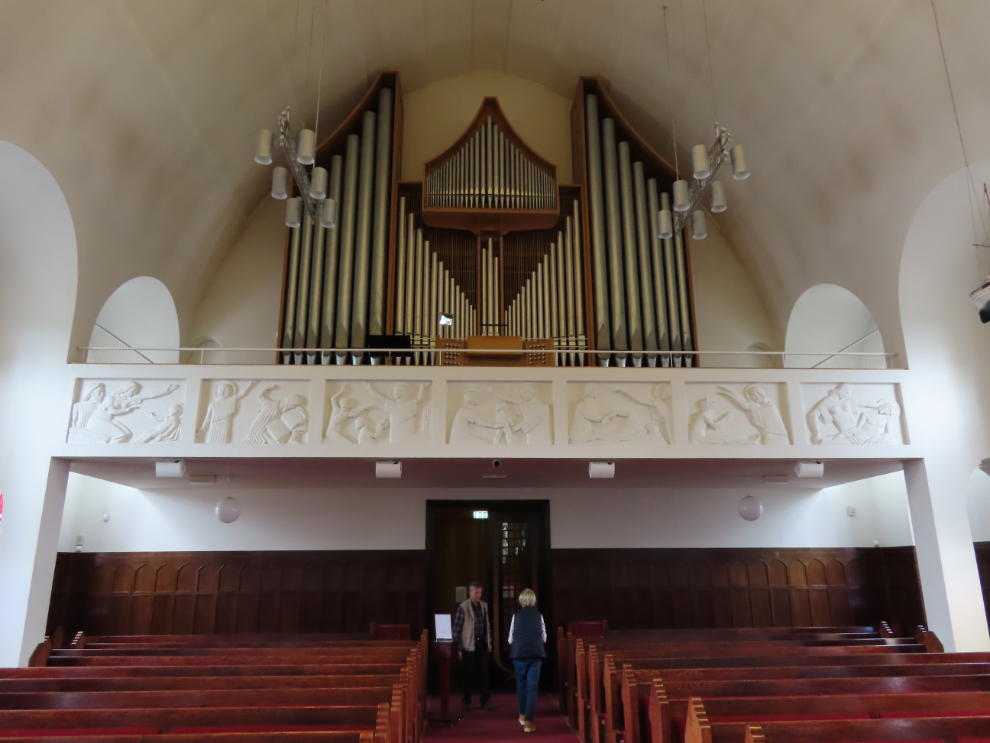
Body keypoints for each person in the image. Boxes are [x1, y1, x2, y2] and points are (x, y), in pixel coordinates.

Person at [508, 588, 546, 733]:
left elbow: (510, 639)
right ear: (533, 600)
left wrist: (520, 642)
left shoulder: (515, 616)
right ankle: (529, 722)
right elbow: (544, 637)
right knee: (532, 688)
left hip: (519, 655)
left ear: (521, 600)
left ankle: (522, 715)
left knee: (521, 685)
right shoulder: (539, 616)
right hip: (535, 655)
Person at [452, 582, 493, 711]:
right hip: (467, 644)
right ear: (470, 593)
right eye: (476, 592)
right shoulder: (463, 608)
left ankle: (485, 701)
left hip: (482, 643)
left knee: (484, 673)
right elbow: (456, 629)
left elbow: (488, 626)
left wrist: (489, 641)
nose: (479, 595)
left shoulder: (484, 606)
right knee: (467, 674)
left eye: (480, 593)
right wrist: (458, 647)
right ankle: (466, 701)